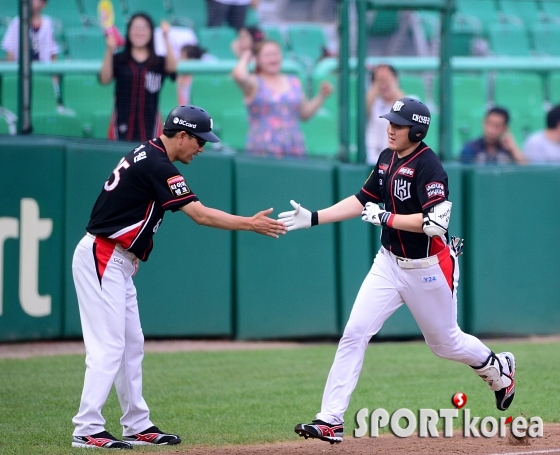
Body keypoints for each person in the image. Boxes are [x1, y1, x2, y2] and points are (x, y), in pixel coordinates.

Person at [277, 98, 516, 445]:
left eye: (399, 124)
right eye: (390, 121)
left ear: (417, 130)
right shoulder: (387, 157)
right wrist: (315, 217)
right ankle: (330, 419)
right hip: (388, 262)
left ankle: (498, 370)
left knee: (445, 344)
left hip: (428, 267)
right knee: (354, 333)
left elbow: (435, 223)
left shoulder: (430, 167)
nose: (390, 128)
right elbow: (362, 199)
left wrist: (386, 217)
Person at [71, 104, 286, 449]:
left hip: (115, 258)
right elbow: (200, 215)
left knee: (131, 345)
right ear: (182, 135)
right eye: (199, 141)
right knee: (109, 346)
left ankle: (137, 424)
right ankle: (87, 427)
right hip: (104, 254)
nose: (202, 148)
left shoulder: (150, 152)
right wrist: (250, 223)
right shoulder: (158, 163)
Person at [231, 40, 333, 158]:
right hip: (263, 149)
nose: (273, 58)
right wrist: (246, 57)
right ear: (258, 59)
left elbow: (304, 115)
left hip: (294, 147)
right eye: (268, 55)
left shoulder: (294, 81)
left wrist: (321, 96)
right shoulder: (254, 82)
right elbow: (239, 75)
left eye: (276, 54)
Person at [100, 13, 177, 142]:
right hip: (122, 123)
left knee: (150, 159)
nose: (140, 32)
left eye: (144, 28)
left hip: (151, 124)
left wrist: (165, 36)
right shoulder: (120, 59)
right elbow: (104, 79)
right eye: (136, 27)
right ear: (128, 31)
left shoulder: (158, 62)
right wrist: (109, 49)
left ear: (151, 32)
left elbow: (172, 68)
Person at [365, 64, 405, 165]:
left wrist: (390, 83)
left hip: (399, 160)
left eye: (388, 80)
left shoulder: (410, 99)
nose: (384, 85)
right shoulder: (374, 102)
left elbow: (406, 106)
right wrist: (378, 81)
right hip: (374, 160)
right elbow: (365, 106)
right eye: (380, 81)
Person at [460, 107, 527, 165]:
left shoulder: (508, 150)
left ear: (505, 128)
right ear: (483, 122)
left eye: (497, 126)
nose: (491, 130)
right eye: (489, 123)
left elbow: (526, 169)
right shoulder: (470, 148)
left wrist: (513, 148)